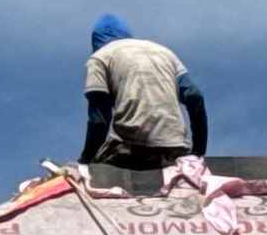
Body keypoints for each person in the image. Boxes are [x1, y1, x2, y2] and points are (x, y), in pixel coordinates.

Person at [80, 15, 208, 170]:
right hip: (175, 149)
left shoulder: (99, 58)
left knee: (98, 171)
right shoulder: (164, 53)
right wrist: (198, 152)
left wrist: (85, 162)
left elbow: (99, 121)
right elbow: (194, 95)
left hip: (131, 148)